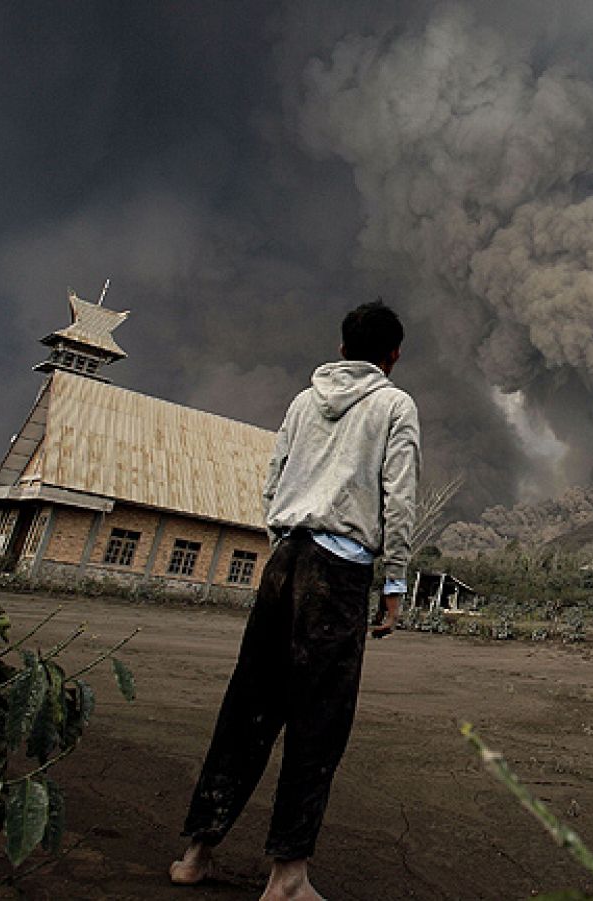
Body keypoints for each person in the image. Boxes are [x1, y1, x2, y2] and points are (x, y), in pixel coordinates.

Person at [169, 300, 420, 900]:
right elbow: (399, 497)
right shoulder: (395, 405)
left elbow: (273, 481)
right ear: (393, 356)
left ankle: (196, 854)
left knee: (247, 706)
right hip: (339, 572)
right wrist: (394, 584)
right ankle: (287, 877)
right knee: (319, 722)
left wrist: (281, 544)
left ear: (342, 349)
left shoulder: (303, 402)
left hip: (284, 562)